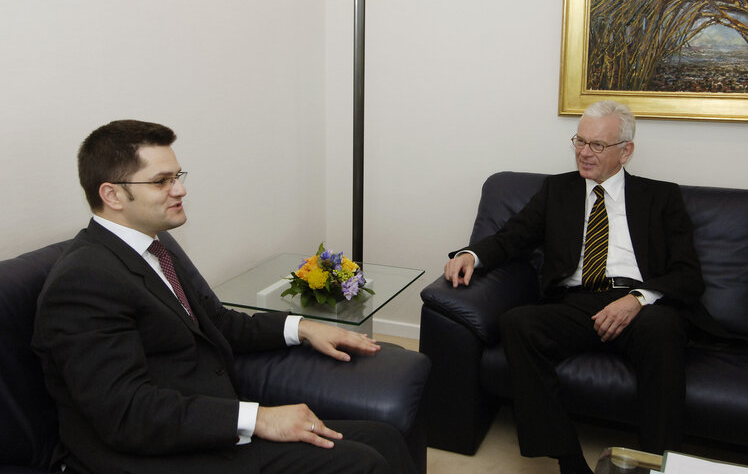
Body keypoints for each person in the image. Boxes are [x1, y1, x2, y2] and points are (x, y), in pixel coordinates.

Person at [32, 120, 416, 474]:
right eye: (161, 181)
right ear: (112, 194)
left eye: (177, 176)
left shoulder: (153, 248)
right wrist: (258, 418)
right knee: (360, 463)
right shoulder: (84, 281)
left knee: (385, 438)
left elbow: (217, 322)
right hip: (149, 454)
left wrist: (303, 328)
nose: (180, 189)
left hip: (203, 422)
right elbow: (126, 413)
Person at [444, 101, 707, 474]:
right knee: (517, 323)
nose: (584, 152)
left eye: (597, 145)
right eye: (579, 141)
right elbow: (511, 238)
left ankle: (657, 464)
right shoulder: (557, 190)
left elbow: (688, 274)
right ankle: (568, 459)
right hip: (577, 303)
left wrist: (637, 299)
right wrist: (472, 254)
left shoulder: (661, 197)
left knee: (663, 330)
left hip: (641, 305)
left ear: (625, 151)